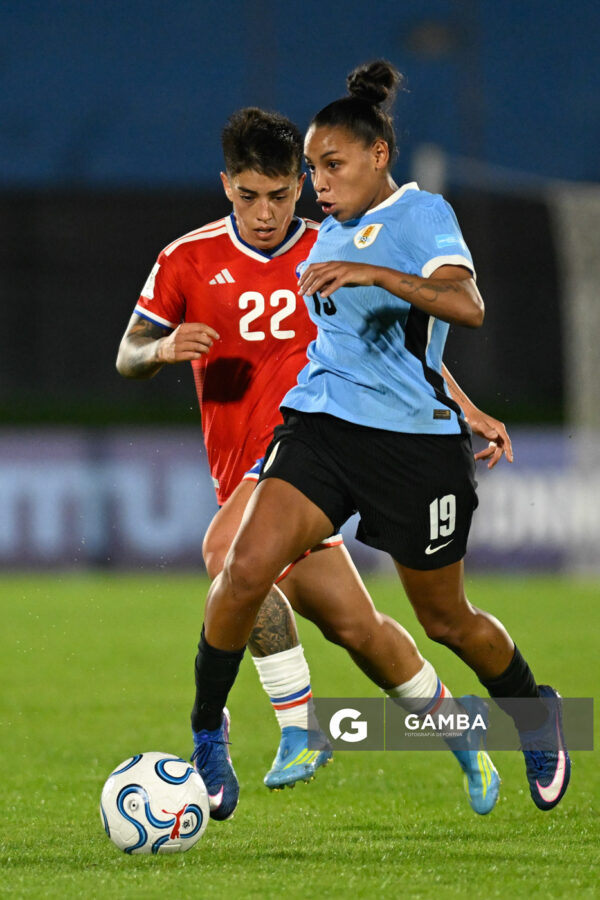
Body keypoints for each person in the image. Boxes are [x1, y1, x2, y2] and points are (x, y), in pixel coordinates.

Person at [187, 62, 570, 821]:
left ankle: (534, 710)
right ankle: (207, 734)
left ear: (378, 157)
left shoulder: (420, 216)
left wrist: (377, 279)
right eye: (312, 170)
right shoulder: (322, 235)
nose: (319, 184)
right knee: (241, 569)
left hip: (412, 451)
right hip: (321, 430)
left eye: (332, 166)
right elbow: (368, 350)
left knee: (445, 620)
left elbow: (466, 306)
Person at [116, 106, 509, 820]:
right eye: (247, 196)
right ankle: (467, 739)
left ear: (300, 186)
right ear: (225, 186)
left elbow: (400, 352)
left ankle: (288, 729)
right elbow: (128, 352)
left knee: (225, 555)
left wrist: (467, 408)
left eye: (279, 195)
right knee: (361, 633)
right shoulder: (186, 259)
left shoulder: (335, 249)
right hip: (250, 472)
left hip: (315, 455)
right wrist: (160, 351)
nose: (265, 214)